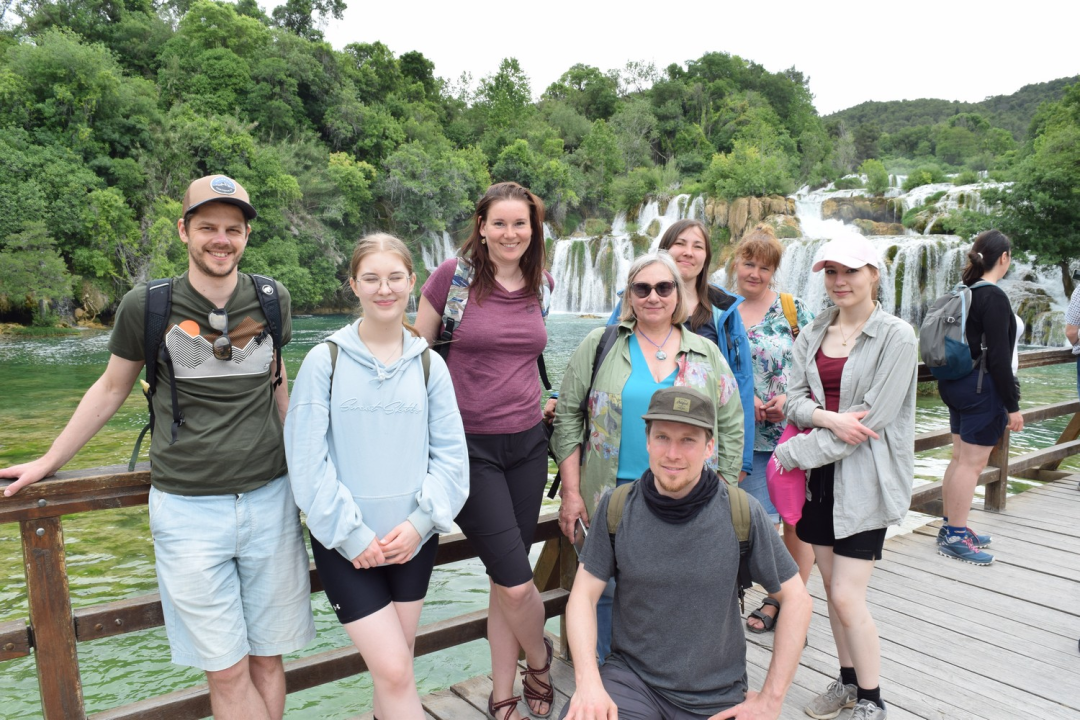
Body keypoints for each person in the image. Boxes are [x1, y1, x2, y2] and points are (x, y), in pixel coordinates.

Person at [0, 175, 315, 719]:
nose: (221, 239)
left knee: (267, 658)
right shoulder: (147, 305)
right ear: (184, 230)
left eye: (233, 229)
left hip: (271, 497)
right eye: (208, 227)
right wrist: (50, 460)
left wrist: (311, 468)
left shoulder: (271, 298)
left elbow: (276, 380)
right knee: (225, 668)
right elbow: (110, 388)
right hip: (188, 509)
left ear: (246, 236)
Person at [284, 233, 469, 719]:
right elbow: (306, 462)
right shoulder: (325, 360)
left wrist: (420, 525)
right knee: (394, 670)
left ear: (412, 283)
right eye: (371, 278)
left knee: (395, 670)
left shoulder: (429, 365)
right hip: (345, 544)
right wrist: (351, 534)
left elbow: (452, 460)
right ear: (354, 285)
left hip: (411, 541)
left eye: (394, 278)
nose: (383, 289)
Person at [560, 386, 810, 720]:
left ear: (709, 446)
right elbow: (582, 596)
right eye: (662, 437)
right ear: (647, 441)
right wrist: (588, 681)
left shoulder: (741, 512)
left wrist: (771, 699)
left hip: (714, 693)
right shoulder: (617, 506)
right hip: (632, 681)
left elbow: (797, 599)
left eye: (688, 440)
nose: (673, 453)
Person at [552, 251, 745, 664]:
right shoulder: (600, 345)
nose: (653, 296)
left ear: (678, 294)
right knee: (603, 591)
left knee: (679, 590)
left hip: (686, 495)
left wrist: (724, 488)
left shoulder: (705, 353)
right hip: (610, 495)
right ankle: (606, 676)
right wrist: (571, 492)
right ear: (629, 295)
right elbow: (567, 418)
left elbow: (730, 422)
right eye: (642, 288)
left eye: (663, 287)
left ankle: (669, 677)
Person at [414, 182, 555, 720]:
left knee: (503, 578)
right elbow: (416, 358)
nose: (510, 233)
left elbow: (524, 357)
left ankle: (502, 692)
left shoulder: (541, 282)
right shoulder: (451, 279)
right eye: (500, 223)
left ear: (533, 230)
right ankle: (539, 661)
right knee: (518, 585)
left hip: (529, 444)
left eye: (521, 224)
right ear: (481, 226)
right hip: (466, 448)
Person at [771, 236, 917, 720]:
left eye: (850, 271)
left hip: (866, 483)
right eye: (831, 272)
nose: (839, 281)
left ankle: (873, 700)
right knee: (833, 592)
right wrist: (827, 417)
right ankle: (848, 682)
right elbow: (793, 400)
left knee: (846, 595)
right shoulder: (814, 331)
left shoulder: (897, 337)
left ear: (873, 273)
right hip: (818, 484)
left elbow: (869, 424)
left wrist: (792, 452)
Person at [607, 219, 755, 484]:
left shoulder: (724, 309)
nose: (688, 252)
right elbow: (604, 356)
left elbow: (739, 386)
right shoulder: (637, 299)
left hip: (696, 452)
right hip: (630, 456)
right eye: (680, 243)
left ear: (706, 257)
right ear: (664, 250)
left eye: (698, 246)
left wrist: (740, 461)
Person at [729, 223, 816, 634]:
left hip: (787, 437)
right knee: (748, 524)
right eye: (749, 264)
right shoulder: (722, 310)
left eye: (765, 267)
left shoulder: (793, 309)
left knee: (792, 520)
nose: (755, 273)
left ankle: (785, 600)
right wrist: (741, 401)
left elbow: (818, 366)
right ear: (736, 263)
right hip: (739, 438)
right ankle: (736, 592)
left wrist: (789, 401)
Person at [936, 230, 1024, 565]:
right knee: (972, 464)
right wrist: (1012, 406)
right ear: (1004, 258)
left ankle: (951, 526)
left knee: (959, 458)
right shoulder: (994, 297)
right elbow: (999, 358)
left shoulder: (965, 291)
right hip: (980, 389)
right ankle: (956, 536)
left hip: (956, 384)